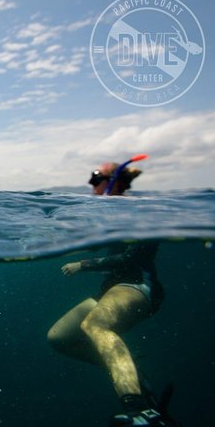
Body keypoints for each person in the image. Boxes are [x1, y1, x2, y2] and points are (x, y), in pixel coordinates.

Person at [46, 161, 176, 426]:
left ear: (114, 181)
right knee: (58, 338)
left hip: (138, 286)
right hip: (110, 291)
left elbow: (131, 257)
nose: (91, 186)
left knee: (95, 325)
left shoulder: (143, 212)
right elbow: (100, 243)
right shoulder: (108, 214)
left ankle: (138, 408)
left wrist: (84, 265)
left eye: (96, 179)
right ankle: (126, 368)